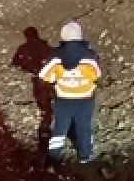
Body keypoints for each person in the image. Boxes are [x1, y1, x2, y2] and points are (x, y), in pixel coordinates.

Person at [38, 22, 102, 164]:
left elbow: (43, 75)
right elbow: (97, 74)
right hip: (85, 99)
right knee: (84, 126)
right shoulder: (89, 57)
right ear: (80, 36)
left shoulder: (56, 57)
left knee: (60, 128)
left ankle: (54, 156)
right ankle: (85, 155)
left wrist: (56, 78)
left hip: (63, 99)